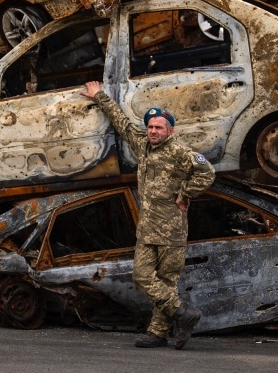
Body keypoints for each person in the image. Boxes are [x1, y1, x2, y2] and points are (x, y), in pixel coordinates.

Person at [81, 81, 215, 349]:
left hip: (171, 230)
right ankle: (181, 313)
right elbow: (121, 123)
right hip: (148, 229)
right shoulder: (143, 145)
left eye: (159, 128)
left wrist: (185, 193)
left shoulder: (179, 152)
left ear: (170, 130)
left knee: (166, 280)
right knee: (142, 276)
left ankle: (158, 332)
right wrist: (100, 97)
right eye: (151, 127)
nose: (153, 131)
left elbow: (208, 172)